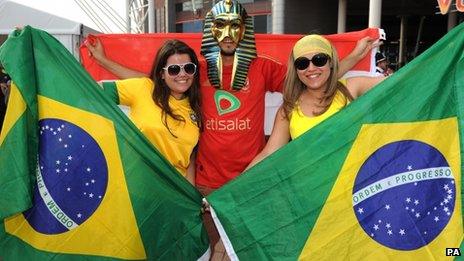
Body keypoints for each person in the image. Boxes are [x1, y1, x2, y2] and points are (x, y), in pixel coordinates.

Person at [247, 34, 385, 169]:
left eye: (319, 60)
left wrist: (355, 56)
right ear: (296, 70)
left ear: (331, 62)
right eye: (302, 63)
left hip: (351, 187)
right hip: (310, 189)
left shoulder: (351, 88)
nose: (311, 68)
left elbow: (399, 82)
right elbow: (268, 154)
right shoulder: (288, 109)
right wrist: (234, 188)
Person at [90, 39, 202, 184]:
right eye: (174, 69)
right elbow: (91, 91)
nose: (182, 74)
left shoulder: (196, 105)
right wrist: (101, 60)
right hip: (137, 185)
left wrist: (190, 195)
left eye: (188, 68)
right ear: (162, 74)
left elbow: (190, 158)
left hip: (174, 193)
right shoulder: (144, 88)